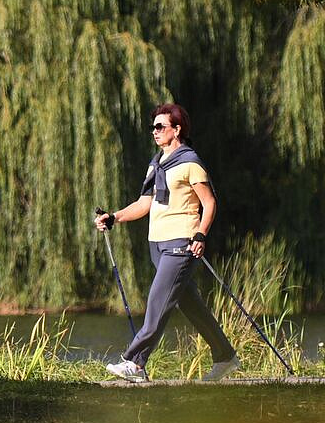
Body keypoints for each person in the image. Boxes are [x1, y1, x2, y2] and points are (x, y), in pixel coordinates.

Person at [92, 102, 240, 382]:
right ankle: (225, 356)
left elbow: (209, 204)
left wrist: (200, 234)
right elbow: (144, 203)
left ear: (177, 129)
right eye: (153, 127)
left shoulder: (190, 163)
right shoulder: (156, 164)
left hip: (181, 242)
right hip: (157, 244)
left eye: (160, 127)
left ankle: (134, 364)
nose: (155, 132)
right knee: (191, 305)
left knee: (157, 302)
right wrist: (115, 217)